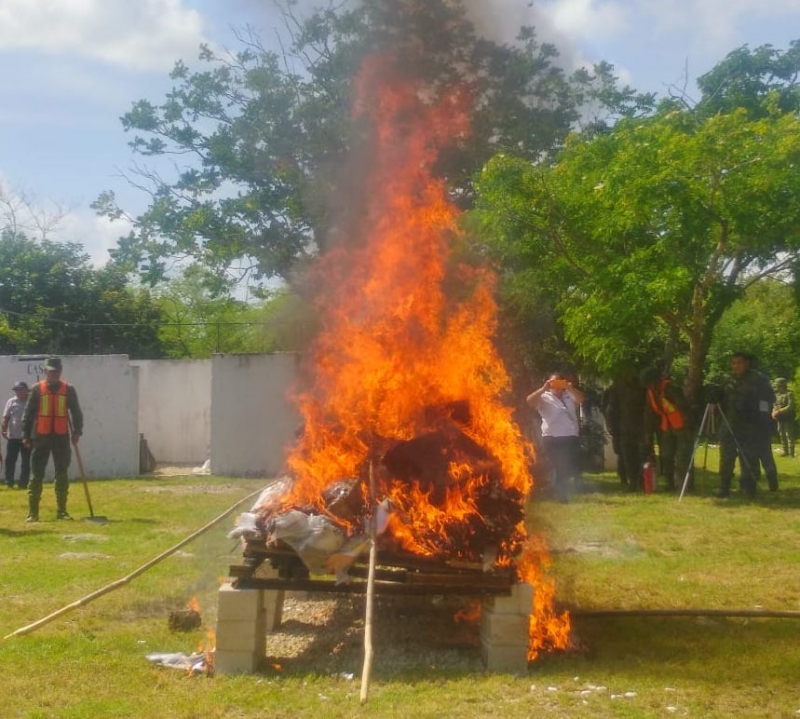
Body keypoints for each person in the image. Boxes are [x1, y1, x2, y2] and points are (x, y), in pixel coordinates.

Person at [21, 357, 84, 522]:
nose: (53, 373)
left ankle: (62, 511)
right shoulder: (36, 389)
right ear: (45, 371)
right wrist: (25, 435)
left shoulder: (68, 389)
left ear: (60, 371)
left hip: (61, 437)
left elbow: (76, 412)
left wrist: (77, 432)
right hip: (41, 437)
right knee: (36, 474)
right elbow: (28, 414)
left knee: (62, 473)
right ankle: (33, 513)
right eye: (50, 371)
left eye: (56, 371)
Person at [527, 373, 585, 502]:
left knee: (568, 465)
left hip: (570, 436)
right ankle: (560, 493)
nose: (556, 386)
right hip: (552, 437)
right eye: (553, 383)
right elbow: (529, 401)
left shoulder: (568, 395)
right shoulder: (544, 397)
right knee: (558, 465)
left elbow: (581, 399)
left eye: (559, 382)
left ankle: (557, 490)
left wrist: (570, 388)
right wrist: (543, 388)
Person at [716, 352, 765, 499]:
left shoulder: (757, 380)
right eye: (734, 363)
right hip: (729, 424)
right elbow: (722, 400)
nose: (736, 366)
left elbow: (766, 401)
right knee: (726, 457)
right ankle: (724, 487)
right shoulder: (727, 380)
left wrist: (762, 420)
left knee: (749, 457)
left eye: (739, 363)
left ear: (747, 364)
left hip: (749, 425)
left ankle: (750, 488)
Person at [643, 369, 692, 492]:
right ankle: (669, 484)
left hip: (682, 425)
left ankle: (684, 486)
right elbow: (649, 415)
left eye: (651, 383)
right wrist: (648, 434)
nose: (650, 386)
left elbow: (684, 407)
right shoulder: (650, 393)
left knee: (682, 456)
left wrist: (687, 426)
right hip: (667, 426)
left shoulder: (671, 388)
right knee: (666, 456)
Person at [2, 381, 31, 489]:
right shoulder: (11, 401)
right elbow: (6, 417)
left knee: (26, 462)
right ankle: (9, 482)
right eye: (16, 390)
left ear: (26, 390)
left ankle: (23, 484)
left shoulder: (31, 401)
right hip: (13, 437)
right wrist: (4, 430)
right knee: (10, 461)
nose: (18, 392)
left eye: (20, 389)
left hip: (27, 437)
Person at [772, 378, 795, 457]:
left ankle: (791, 453)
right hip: (780, 418)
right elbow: (775, 405)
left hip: (788, 418)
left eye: (778, 385)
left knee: (789, 435)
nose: (777, 387)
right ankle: (785, 451)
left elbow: (790, 406)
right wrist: (774, 412)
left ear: (782, 385)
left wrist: (780, 411)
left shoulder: (789, 394)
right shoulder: (777, 395)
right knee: (782, 435)